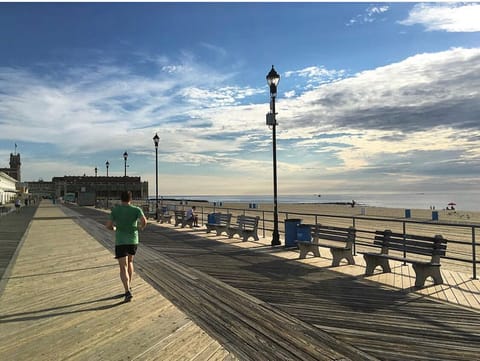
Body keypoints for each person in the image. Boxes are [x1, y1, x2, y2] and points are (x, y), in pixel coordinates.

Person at [105, 191, 147, 302]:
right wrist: (140, 228)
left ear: (121, 199)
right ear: (130, 199)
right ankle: (129, 286)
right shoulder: (136, 209)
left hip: (120, 241)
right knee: (130, 262)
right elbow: (144, 221)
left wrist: (114, 228)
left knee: (122, 266)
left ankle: (127, 290)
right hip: (133, 240)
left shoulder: (115, 210)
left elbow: (108, 225)